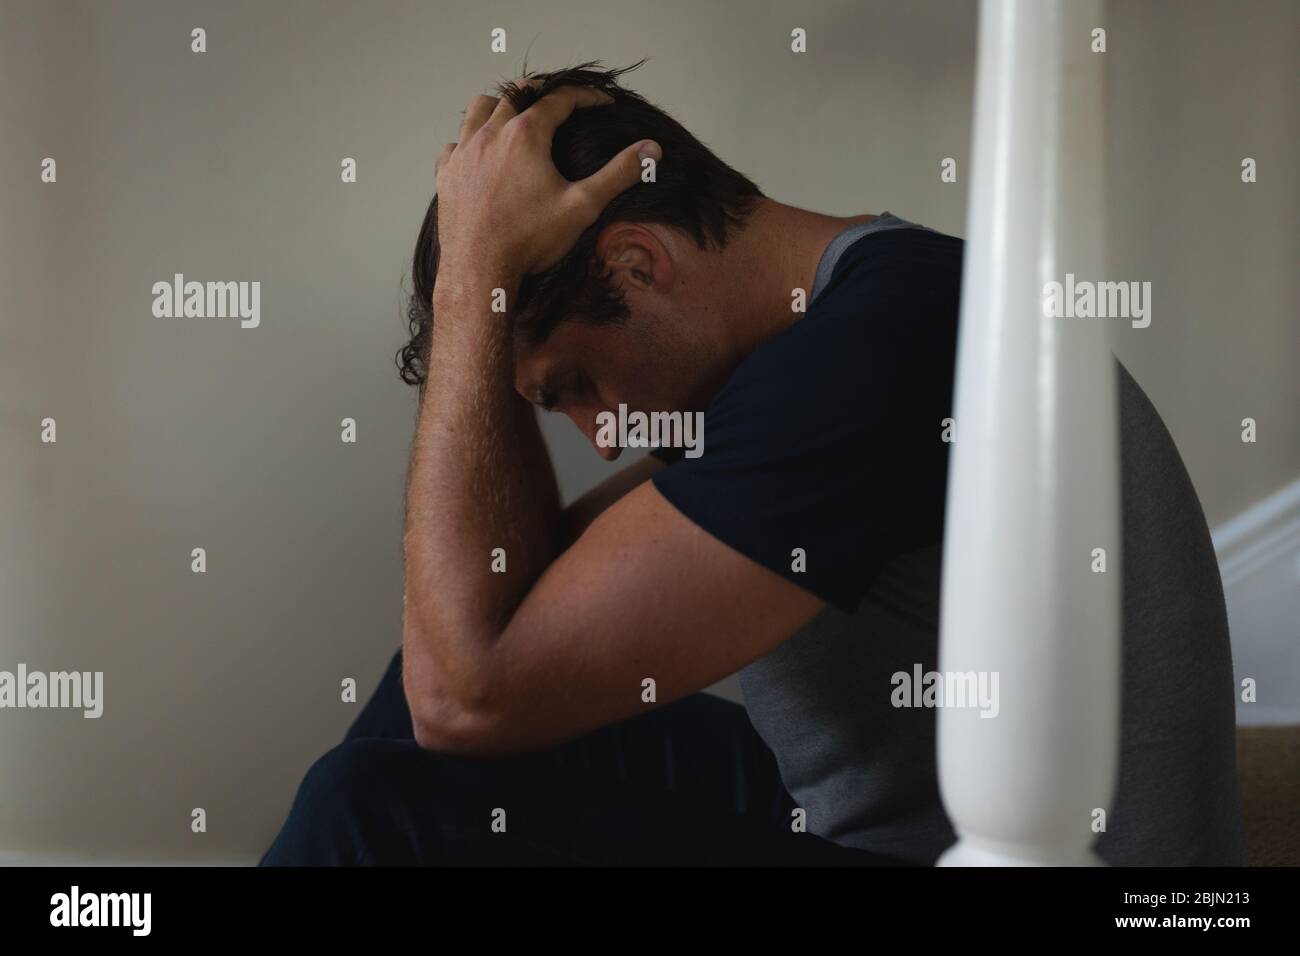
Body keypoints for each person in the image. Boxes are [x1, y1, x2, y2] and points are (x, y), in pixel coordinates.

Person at [261, 62, 1245, 866]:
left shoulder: (877, 349)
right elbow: (493, 619)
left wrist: (475, 287)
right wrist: (478, 299)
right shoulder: (858, 311)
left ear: (637, 264)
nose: (600, 437)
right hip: (883, 811)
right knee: (418, 703)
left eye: (574, 385)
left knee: (371, 805)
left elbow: (469, 690)